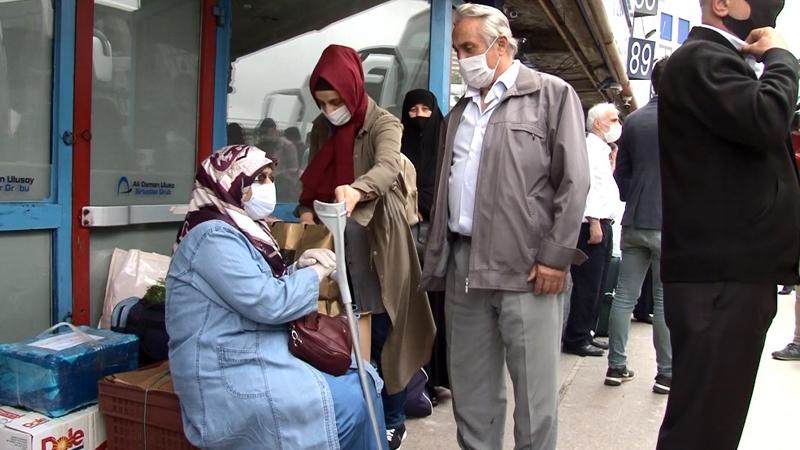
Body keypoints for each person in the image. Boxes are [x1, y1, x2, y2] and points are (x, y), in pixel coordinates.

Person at [421, 4, 589, 449]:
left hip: (528, 271)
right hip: (465, 266)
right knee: (472, 394)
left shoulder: (551, 95)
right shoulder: (460, 112)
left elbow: (574, 182)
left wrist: (555, 257)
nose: (462, 58)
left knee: (535, 399)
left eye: (470, 47)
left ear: (501, 45)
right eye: (457, 49)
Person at [166, 145, 386, 450]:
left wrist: (299, 267)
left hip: (259, 346)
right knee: (346, 405)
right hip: (227, 364)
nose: (268, 186)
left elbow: (257, 284)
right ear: (230, 183)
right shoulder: (211, 236)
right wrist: (314, 275)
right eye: (258, 179)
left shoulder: (244, 229)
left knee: (364, 381)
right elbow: (266, 301)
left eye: (269, 177)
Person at [656, 1, 800, 449]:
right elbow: (766, 117)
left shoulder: (717, 61)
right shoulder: (703, 58)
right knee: (704, 428)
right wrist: (781, 58)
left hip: (729, 275)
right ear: (721, 3)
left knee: (710, 420)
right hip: (721, 278)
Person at [297, 44, 435, 450]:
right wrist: (306, 210)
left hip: (380, 239)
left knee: (385, 329)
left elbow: (388, 167)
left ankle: (392, 419)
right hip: (335, 239)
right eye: (322, 103)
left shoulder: (384, 123)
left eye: (336, 101)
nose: (330, 109)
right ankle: (356, 412)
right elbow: (312, 177)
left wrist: (356, 190)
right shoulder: (321, 128)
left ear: (354, 89)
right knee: (340, 328)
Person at [605, 57, 672, 393]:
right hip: (669, 223)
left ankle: (616, 366)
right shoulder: (686, 121)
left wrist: (636, 196)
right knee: (663, 301)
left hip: (634, 220)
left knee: (624, 298)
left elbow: (622, 174)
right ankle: (665, 373)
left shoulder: (633, 121)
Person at [399, 89, 449, 400]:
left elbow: (452, 183)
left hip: (436, 237)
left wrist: (425, 205)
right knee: (406, 307)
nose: (419, 116)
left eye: (425, 110)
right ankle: (410, 382)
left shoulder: (447, 145)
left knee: (436, 308)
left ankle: (435, 378)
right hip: (403, 237)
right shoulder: (397, 145)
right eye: (413, 110)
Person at [563, 103, 621, 357]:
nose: (617, 124)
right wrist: (594, 221)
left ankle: (586, 333)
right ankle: (577, 337)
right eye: (613, 119)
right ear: (598, 123)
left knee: (597, 284)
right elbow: (589, 185)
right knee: (588, 284)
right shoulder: (590, 147)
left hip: (603, 223)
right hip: (591, 225)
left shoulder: (602, 149)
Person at [257, 118, 301, 201]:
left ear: (274, 130)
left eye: (267, 132)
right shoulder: (259, 146)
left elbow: (294, 169)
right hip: (262, 186)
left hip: (282, 187)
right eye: (262, 132)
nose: (264, 135)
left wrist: (277, 174)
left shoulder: (287, 146)